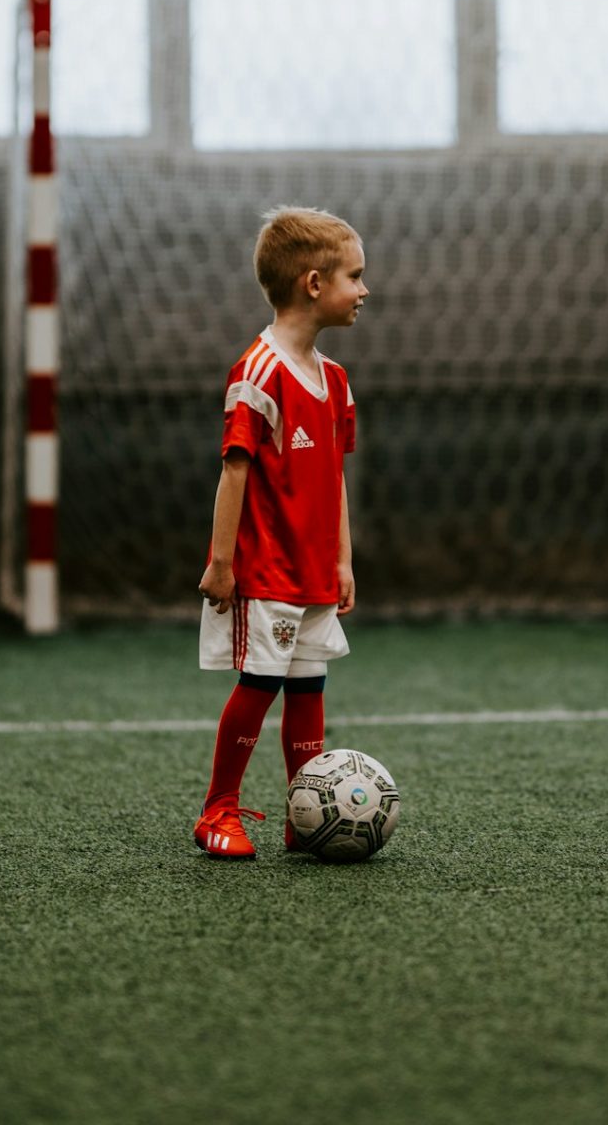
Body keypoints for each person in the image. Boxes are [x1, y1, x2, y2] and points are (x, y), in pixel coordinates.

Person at [193, 206, 368, 859]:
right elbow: (232, 475)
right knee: (260, 685)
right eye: (356, 276)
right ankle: (217, 811)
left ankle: (307, 813)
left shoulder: (337, 382)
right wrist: (221, 565)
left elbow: (334, 479)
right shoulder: (258, 373)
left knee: (309, 687)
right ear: (314, 284)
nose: (366, 290)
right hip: (265, 570)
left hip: (314, 569)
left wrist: (343, 561)